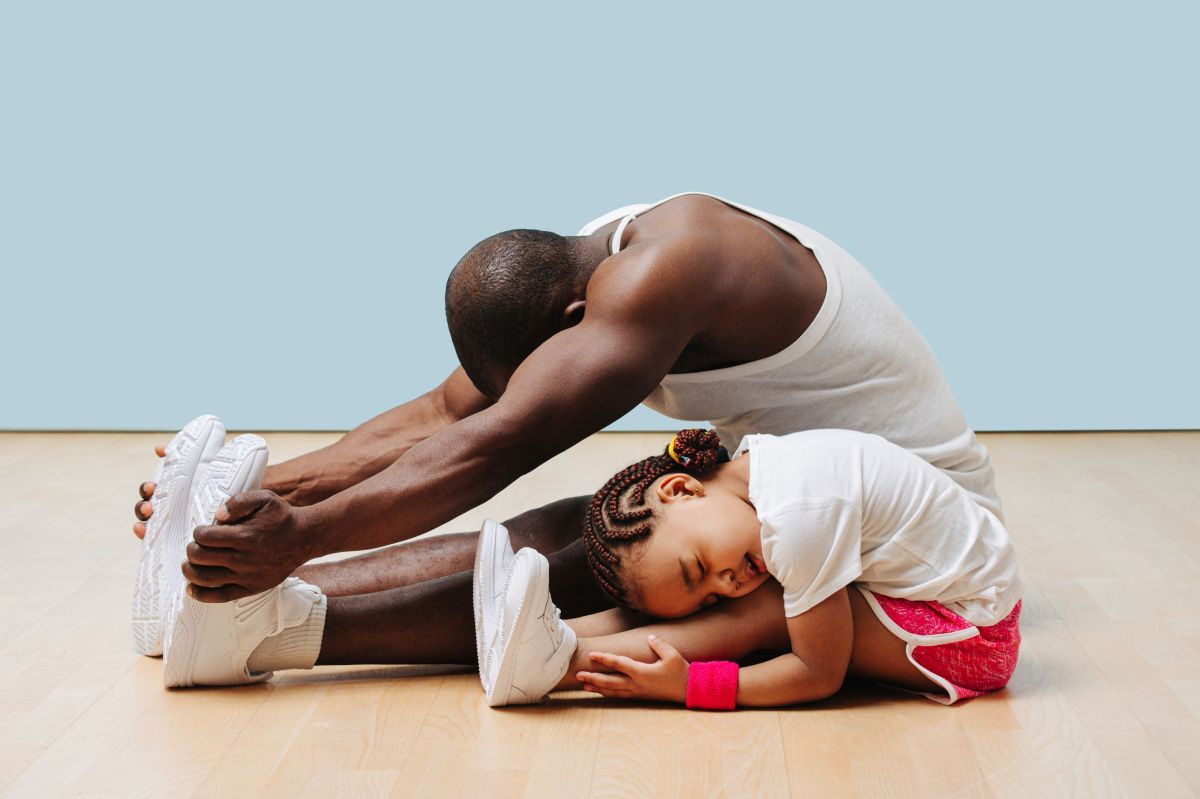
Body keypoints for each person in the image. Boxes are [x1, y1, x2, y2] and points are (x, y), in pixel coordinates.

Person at [133, 191, 1003, 666]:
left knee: (604, 558)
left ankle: (275, 630)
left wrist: (301, 533)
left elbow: (499, 439)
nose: (548, 386)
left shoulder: (670, 272)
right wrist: (250, 498)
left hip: (915, 539)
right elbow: (449, 411)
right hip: (795, 499)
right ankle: (228, 600)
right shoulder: (589, 260)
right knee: (581, 524)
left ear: (580, 318)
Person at [478, 428, 1023, 708]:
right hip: (939, 605)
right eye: (708, 590)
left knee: (760, 608)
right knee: (743, 601)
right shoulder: (760, 473)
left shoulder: (797, 517)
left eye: (699, 569)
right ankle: (539, 632)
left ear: (682, 488)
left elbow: (819, 672)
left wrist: (688, 686)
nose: (728, 581)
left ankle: (554, 665)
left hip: (971, 636)